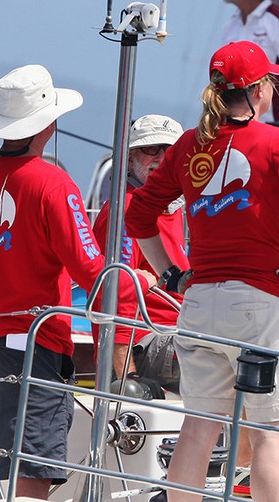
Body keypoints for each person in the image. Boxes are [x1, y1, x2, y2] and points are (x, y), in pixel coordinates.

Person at [126, 41, 279, 502]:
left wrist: (170, 276)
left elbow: (139, 215)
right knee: (269, 433)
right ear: (260, 90)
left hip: (201, 304)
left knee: (199, 428)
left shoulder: (188, 144)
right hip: (263, 307)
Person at [0, 65, 104, 501]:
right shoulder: (53, 184)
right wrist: (138, 296)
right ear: (46, 123)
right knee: (30, 471)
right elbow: (93, 269)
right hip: (32, 344)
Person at [91, 114, 189, 392]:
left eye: (170, 150)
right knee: (239, 365)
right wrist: (126, 379)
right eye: (150, 149)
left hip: (178, 334)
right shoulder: (126, 211)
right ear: (130, 158)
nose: (161, 157)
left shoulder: (176, 208)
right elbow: (114, 296)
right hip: (147, 343)